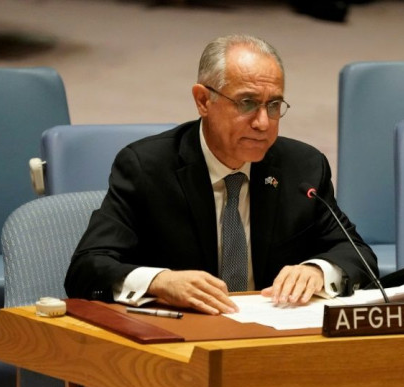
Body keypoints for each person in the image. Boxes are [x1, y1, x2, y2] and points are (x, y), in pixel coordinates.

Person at [64, 34, 377, 315]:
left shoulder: (303, 168)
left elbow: (358, 255)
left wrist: (319, 271)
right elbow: (87, 269)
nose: (263, 123)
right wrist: (160, 281)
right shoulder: (147, 168)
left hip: (273, 340)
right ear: (203, 100)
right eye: (248, 103)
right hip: (183, 342)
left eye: (274, 105)